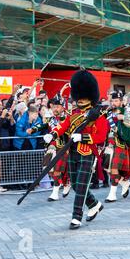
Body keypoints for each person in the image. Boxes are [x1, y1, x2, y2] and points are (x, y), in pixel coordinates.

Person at [44, 70, 109, 230]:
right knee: (74, 184)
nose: (80, 99)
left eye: (83, 96)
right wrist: (52, 134)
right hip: (72, 151)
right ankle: (94, 205)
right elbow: (64, 125)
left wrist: (84, 138)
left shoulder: (98, 115)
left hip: (88, 153)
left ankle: (76, 217)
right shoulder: (74, 113)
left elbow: (101, 136)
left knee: (81, 186)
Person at [104, 90, 130, 203]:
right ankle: (124, 182)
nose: (114, 102)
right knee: (107, 168)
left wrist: (123, 117)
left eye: (116, 100)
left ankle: (112, 194)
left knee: (113, 168)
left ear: (121, 101)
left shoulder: (126, 110)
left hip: (120, 143)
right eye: (112, 100)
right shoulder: (108, 112)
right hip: (109, 143)